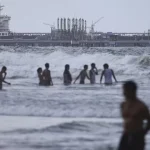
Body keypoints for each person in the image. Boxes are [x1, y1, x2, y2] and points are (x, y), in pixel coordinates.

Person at [118, 81, 150, 150]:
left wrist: (143, 132)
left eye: (126, 91)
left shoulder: (141, 106)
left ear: (133, 91)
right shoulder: (123, 104)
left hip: (137, 136)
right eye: (124, 90)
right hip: (125, 134)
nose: (124, 93)